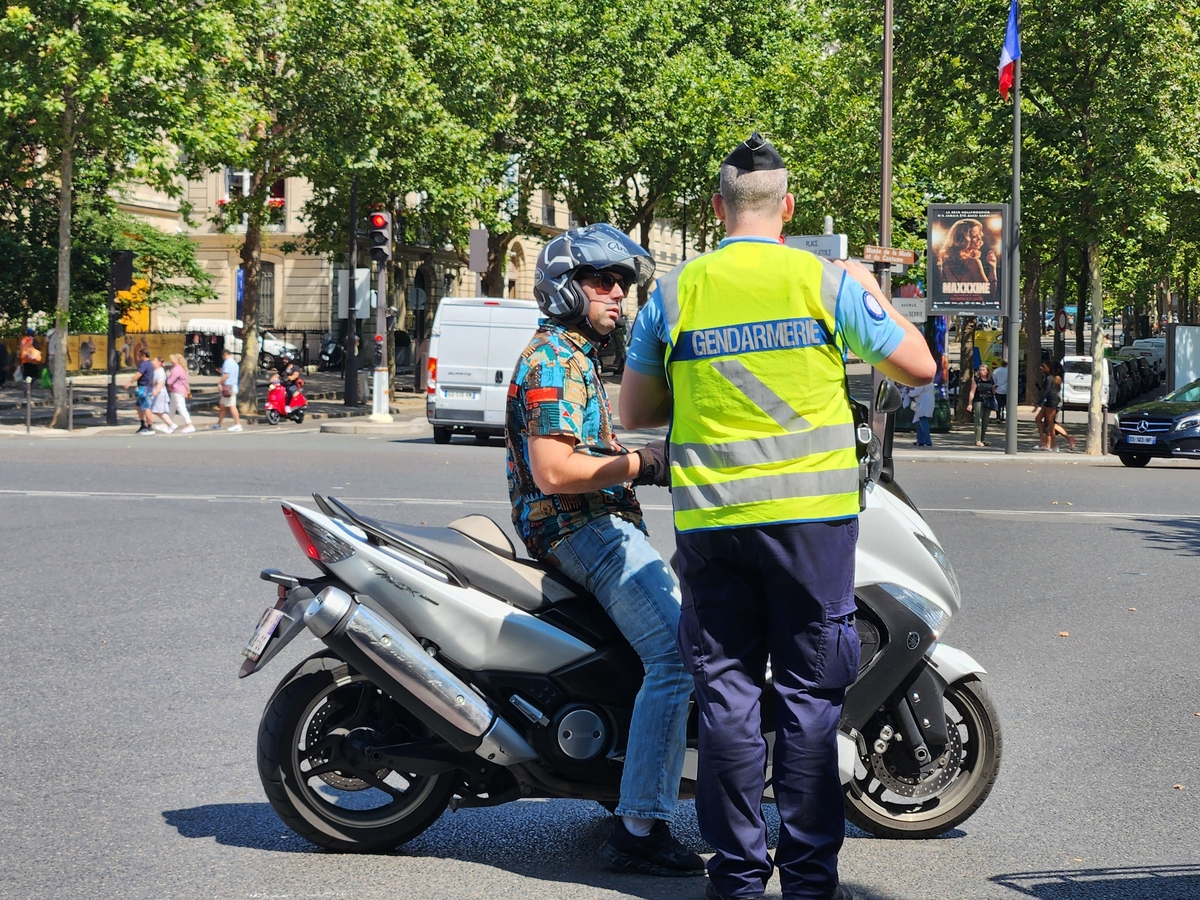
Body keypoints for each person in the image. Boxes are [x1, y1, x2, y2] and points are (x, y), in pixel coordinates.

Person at [619, 133, 936, 900]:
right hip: (813, 529)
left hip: (711, 525)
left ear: (715, 208)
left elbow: (636, 409)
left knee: (726, 698)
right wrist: (869, 287)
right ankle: (808, 882)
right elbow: (920, 366)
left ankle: (733, 880)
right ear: (787, 208)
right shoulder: (825, 283)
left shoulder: (673, 292)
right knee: (809, 701)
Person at [506, 223, 702, 878]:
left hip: (595, 523)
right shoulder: (552, 362)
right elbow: (555, 470)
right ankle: (640, 826)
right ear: (566, 288)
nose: (618, 294)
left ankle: (621, 776)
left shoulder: (578, 356)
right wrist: (643, 465)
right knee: (677, 653)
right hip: (580, 528)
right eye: (603, 281)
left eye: (622, 283)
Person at [937, 219, 998, 305]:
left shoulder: (944, 262)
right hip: (977, 308)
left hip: (953, 306)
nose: (980, 239)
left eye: (979, 235)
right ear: (963, 239)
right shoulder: (973, 263)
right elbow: (988, 294)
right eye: (974, 236)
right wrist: (993, 268)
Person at [124, 348, 155, 435]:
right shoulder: (150, 364)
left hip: (144, 389)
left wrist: (130, 382)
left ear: (143, 355)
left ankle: (150, 427)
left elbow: (139, 374)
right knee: (138, 407)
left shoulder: (144, 364)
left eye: (139, 356)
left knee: (146, 408)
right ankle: (143, 424)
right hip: (147, 388)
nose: (139, 358)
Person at [967, 363, 997, 446]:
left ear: (987, 371)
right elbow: (972, 392)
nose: (982, 371)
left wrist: (994, 390)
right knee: (978, 421)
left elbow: (993, 392)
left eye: (984, 370)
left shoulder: (991, 380)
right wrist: (970, 404)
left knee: (985, 421)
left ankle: (982, 439)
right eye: (980, 370)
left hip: (988, 401)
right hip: (978, 401)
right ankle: (977, 440)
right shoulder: (977, 381)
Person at [214, 348, 243, 431]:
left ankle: (238, 424)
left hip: (229, 387)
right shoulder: (234, 363)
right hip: (231, 386)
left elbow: (226, 375)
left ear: (225, 355)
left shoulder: (227, 362)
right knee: (222, 405)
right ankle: (219, 424)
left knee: (232, 406)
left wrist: (220, 383)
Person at [148, 357, 177, 433]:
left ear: (158, 363)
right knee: (155, 411)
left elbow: (161, 382)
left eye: (154, 360)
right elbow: (154, 382)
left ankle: (171, 425)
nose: (152, 362)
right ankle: (149, 425)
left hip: (160, 394)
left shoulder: (160, 371)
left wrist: (156, 391)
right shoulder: (156, 371)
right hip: (157, 392)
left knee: (158, 411)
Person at [167, 353, 195, 433]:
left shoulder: (176, 369)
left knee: (181, 407)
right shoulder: (183, 368)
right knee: (172, 408)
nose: (171, 362)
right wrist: (188, 390)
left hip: (177, 390)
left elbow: (169, 381)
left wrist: (168, 385)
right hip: (180, 390)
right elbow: (186, 382)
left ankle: (189, 424)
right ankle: (169, 424)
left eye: (172, 360)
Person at [905, 381, 935, 447]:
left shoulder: (922, 382)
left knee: (923, 421)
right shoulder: (928, 381)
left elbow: (917, 392)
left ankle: (927, 441)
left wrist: (909, 392)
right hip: (924, 403)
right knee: (919, 421)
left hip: (924, 404)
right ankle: (920, 440)